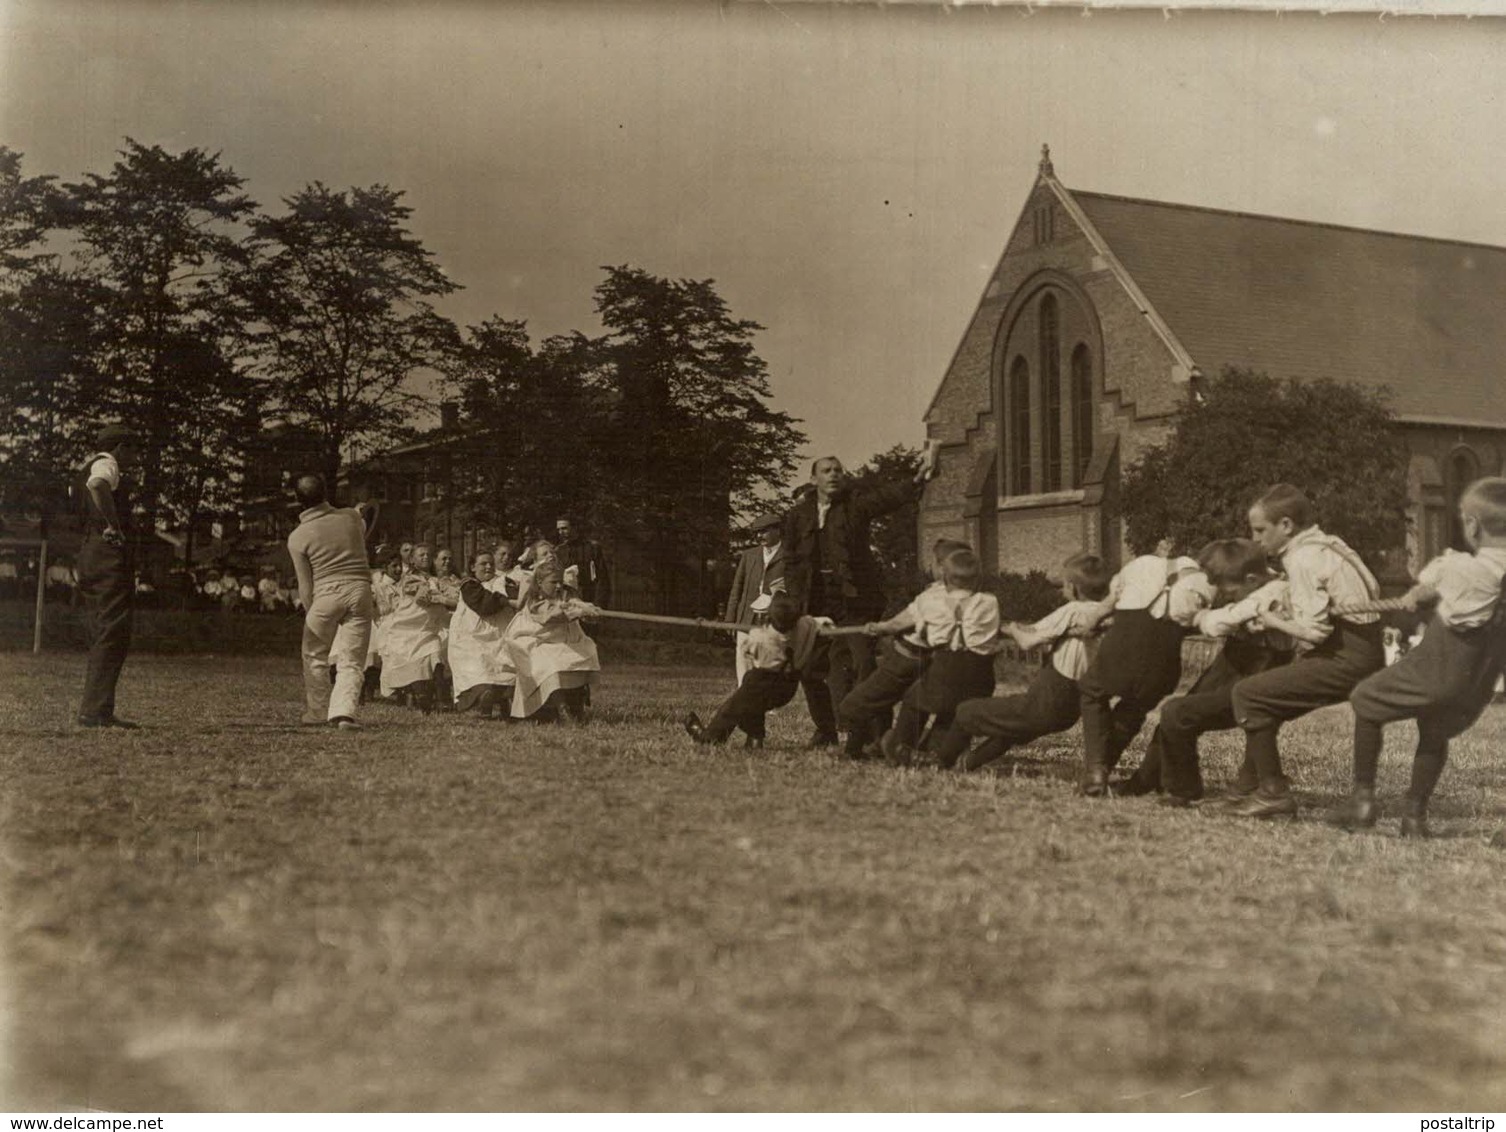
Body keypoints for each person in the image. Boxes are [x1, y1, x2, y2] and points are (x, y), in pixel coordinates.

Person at [1329, 477, 1506, 838]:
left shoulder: (1459, 570)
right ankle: (1414, 815)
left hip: (1436, 668)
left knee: (1365, 699)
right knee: (1434, 729)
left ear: (1472, 525)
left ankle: (1362, 800)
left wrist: (1419, 595)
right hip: (1474, 687)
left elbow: (1429, 587)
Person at [1217, 484, 1385, 819]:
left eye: (1260, 530)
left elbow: (1315, 631)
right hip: (1365, 648)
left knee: (1248, 695)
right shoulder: (1330, 544)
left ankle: (1272, 793)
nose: (1255, 539)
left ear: (1286, 526)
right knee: (1269, 699)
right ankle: (1246, 787)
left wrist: (1269, 620)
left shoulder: (1303, 558)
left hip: (1346, 656)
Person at [1114, 539, 1292, 805]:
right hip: (1234, 659)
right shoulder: (1254, 585)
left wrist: (1200, 618)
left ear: (1252, 579)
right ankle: (1148, 777)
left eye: (1228, 589)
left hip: (1261, 667)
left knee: (1182, 713)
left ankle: (1185, 789)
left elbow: (1225, 620)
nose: (1223, 593)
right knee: (1175, 717)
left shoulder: (1275, 592)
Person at [781, 447, 938, 747]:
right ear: (813, 479)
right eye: (826, 470)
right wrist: (795, 600)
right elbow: (789, 560)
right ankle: (826, 730)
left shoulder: (856, 505)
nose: (834, 475)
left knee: (863, 662)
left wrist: (917, 479)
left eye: (838, 470)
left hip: (855, 601)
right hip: (813, 603)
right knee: (809, 668)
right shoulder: (797, 515)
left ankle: (874, 736)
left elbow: (886, 497)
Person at [934, 552, 1114, 773]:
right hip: (1069, 711)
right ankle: (967, 764)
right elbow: (1045, 633)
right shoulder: (1108, 615)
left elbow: (1028, 641)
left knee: (966, 711)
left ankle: (938, 762)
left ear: (1075, 588)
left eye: (1064, 585)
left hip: (1046, 701)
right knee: (1011, 731)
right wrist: (1016, 630)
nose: (1062, 589)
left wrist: (1012, 629)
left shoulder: (1073, 610)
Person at [1077, 543, 1214, 796]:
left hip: (1122, 647)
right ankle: (1102, 767)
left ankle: (1096, 768)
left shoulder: (1141, 564)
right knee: (1134, 709)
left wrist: (1091, 623)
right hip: (1164, 664)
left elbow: (1108, 604)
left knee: (1092, 691)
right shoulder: (1206, 583)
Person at [848, 547, 1000, 763]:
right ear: (977, 580)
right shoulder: (990, 602)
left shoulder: (931, 602)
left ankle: (901, 745)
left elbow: (897, 624)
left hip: (947, 666)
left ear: (945, 579)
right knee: (957, 707)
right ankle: (939, 751)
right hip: (981, 674)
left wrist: (879, 628)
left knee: (914, 700)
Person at [286, 473, 375, 731]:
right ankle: (343, 714)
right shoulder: (350, 517)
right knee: (352, 658)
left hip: (326, 593)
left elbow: (305, 585)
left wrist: (310, 611)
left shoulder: (298, 537)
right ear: (325, 492)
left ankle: (317, 712)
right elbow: (361, 524)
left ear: (298, 500)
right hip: (360, 589)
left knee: (314, 654)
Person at [684, 593, 832, 747]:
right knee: (753, 702)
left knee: (733, 707)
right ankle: (755, 739)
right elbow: (822, 622)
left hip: (763, 682)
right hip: (787, 687)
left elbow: (747, 650)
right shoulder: (805, 626)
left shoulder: (760, 637)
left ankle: (709, 738)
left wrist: (707, 624)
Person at [74, 423, 143, 729]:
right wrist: (113, 526)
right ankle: (95, 710)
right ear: (119, 448)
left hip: (90, 551)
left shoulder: (84, 465)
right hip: (107, 553)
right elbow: (98, 485)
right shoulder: (106, 464)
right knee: (113, 629)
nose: (134, 457)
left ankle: (98, 707)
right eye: (132, 450)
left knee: (104, 627)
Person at [504, 558, 602, 721]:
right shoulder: (535, 600)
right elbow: (549, 618)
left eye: (560, 582)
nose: (558, 586)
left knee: (586, 653)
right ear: (540, 582)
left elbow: (576, 603)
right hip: (535, 640)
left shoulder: (565, 594)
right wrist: (574, 612)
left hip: (563, 640)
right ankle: (561, 707)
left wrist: (589, 610)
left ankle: (576, 704)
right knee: (551, 664)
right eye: (553, 582)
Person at [449, 551, 517, 718]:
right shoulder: (469, 585)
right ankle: (483, 702)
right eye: (483, 564)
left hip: (497, 634)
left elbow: (518, 593)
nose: (488, 567)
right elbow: (484, 605)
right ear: (472, 567)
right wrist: (506, 601)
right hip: (471, 636)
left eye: (491, 564)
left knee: (504, 666)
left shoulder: (502, 582)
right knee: (479, 668)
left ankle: (504, 704)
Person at [723, 513, 786, 686]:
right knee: (743, 661)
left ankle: (768, 706)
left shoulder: (789, 556)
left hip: (771, 620)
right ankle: (743, 702)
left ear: (777, 531)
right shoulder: (749, 555)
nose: (759, 536)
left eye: (764, 531)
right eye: (757, 532)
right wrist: (730, 619)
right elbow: (737, 589)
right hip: (746, 618)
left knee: (767, 662)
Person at [554, 516, 611, 607]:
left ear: (574, 527)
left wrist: (599, 605)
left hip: (588, 599)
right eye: (559, 529)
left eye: (564, 528)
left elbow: (602, 579)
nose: (561, 532)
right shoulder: (559, 551)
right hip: (566, 601)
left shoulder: (592, 548)